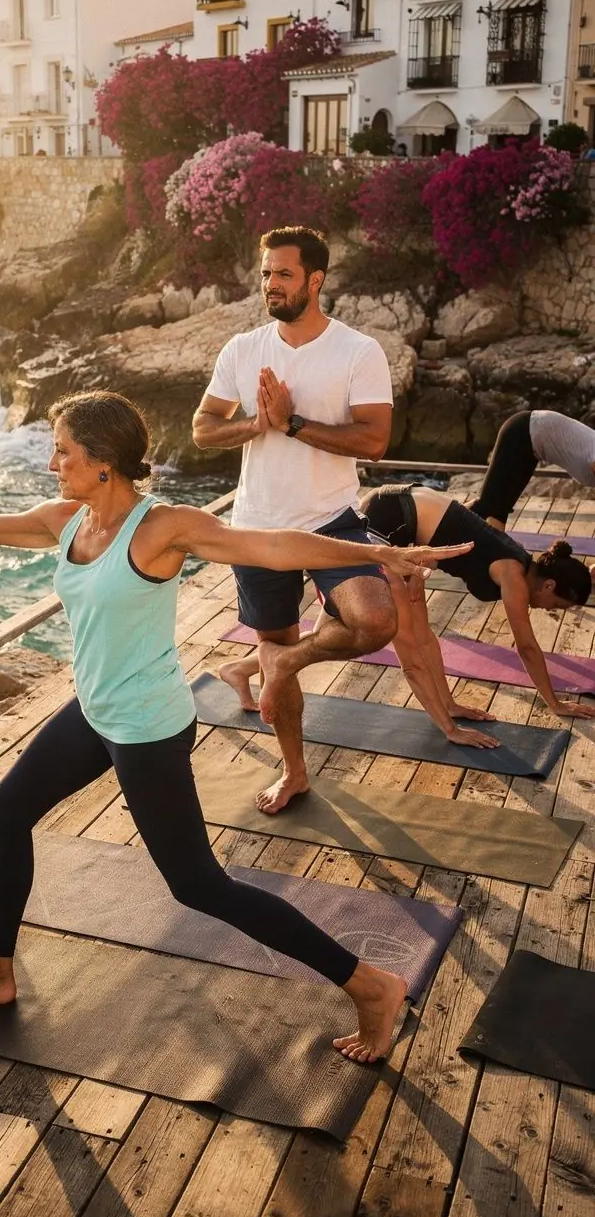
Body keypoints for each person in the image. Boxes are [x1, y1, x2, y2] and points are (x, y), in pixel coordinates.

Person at [0, 390, 470, 1063]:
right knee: (5, 809)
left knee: (198, 886)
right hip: (94, 711)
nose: (54, 462)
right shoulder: (68, 522)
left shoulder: (162, 529)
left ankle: (370, 985)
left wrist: (377, 557)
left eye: (65, 451)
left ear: (105, 464)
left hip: (146, 725)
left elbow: (267, 544)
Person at [192, 224, 397, 815]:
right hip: (256, 527)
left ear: (315, 279)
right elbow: (203, 430)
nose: (271, 284)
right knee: (275, 662)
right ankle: (295, 772)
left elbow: (376, 441)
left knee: (376, 618)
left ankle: (283, 660)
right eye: (265, 274)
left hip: (330, 519)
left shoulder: (358, 351)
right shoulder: (242, 350)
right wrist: (255, 425)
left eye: (283, 273)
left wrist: (294, 424)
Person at [361, 483, 595, 735]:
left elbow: (448, 535)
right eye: (558, 605)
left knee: (423, 634)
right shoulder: (514, 575)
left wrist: (418, 570)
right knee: (408, 641)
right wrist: (555, 703)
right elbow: (527, 648)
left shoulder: (515, 558)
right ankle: (449, 729)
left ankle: (448, 705)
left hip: (402, 512)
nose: (553, 611)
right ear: (548, 585)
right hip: (386, 514)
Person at [470, 409, 595, 530]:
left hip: (532, 449)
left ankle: (493, 549)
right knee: (486, 506)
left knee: (499, 510)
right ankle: (451, 516)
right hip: (522, 431)